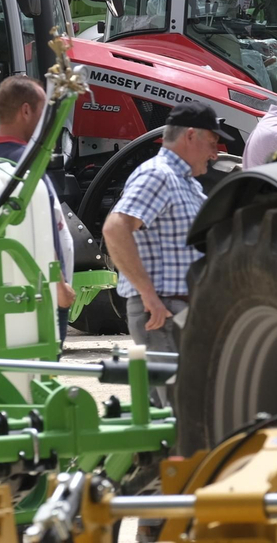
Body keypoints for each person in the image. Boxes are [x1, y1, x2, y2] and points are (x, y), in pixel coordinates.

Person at [101, 101, 218, 363]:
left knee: (182, 400)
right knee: (175, 399)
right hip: (162, 312)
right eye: (212, 142)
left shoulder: (184, 182)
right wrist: (149, 296)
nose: (215, 154)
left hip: (176, 311)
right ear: (190, 135)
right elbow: (115, 228)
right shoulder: (158, 174)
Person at [0, 76, 76, 338]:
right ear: (26, 111)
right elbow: (42, 231)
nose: (47, 121)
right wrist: (60, 285)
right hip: (40, 293)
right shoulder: (29, 165)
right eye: (43, 111)